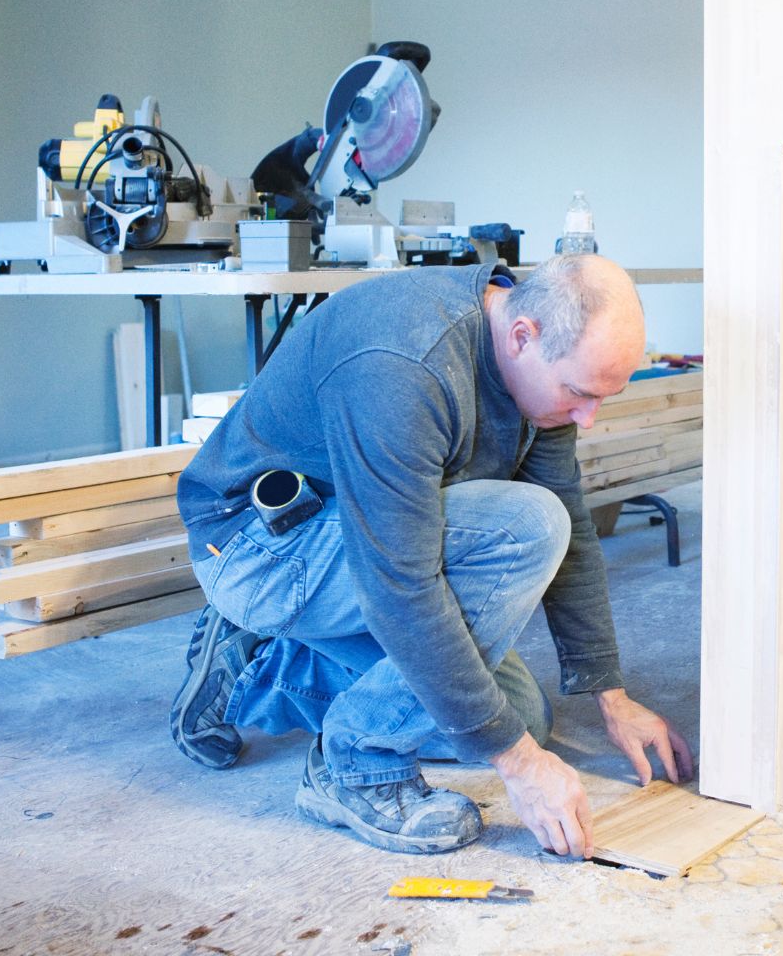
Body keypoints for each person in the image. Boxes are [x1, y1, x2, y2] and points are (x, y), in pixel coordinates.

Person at [168, 254, 692, 858]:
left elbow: (573, 526)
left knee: (517, 713)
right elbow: (400, 584)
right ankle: (354, 766)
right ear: (524, 336)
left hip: (358, 541)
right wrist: (520, 767)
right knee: (525, 529)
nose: (588, 418)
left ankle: (259, 668)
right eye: (578, 394)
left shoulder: (536, 371)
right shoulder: (403, 362)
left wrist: (610, 695)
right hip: (259, 549)